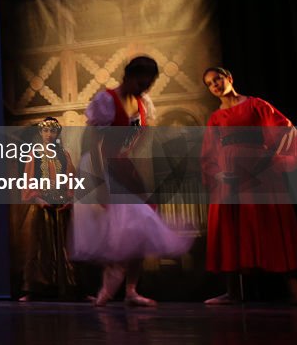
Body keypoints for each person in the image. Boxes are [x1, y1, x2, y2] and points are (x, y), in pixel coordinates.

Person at [70, 56, 192, 307]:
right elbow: (94, 143)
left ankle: (130, 290)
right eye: (140, 83)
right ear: (127, 76)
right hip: (100, 164)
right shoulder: (106, 101)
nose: (143, 89)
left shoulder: (143, 103)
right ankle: (108, 290)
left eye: (148, 85)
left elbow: (137, 142)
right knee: (117, 228)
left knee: (141, 226)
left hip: (122, 164)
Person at [200, 67, 297, 305]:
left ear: (229, 78)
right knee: (231, 228)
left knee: (271, 224)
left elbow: (284, 129)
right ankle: (232, 293)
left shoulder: (255, 105)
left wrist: (273, 160)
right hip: (230, 181)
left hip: (259, 176)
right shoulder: (215, 117)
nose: (215, 85)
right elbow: (208, 153)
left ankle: (295, 293)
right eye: (210, 84)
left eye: (217, 79)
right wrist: (218, 174)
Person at [18, 116, 77, 301]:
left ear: (57, 133)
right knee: (40, 246)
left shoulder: (64, 154)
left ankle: (71, 288)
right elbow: (28, 180)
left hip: (61, 206)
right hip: (41, 205)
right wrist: (36, 198)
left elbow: (70, 178)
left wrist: (69, 198)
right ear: (41, 133)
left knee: (64, 247)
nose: (49, 134)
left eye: (52, 131)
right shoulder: (34, 154)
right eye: (45, 131)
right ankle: (36, 290)